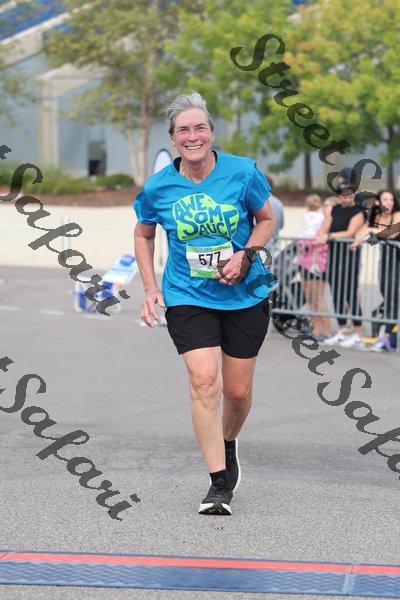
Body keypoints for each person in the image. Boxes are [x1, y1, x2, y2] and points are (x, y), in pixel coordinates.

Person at [133, 91, 276, 516]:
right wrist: (150, 288)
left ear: (212, 133)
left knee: (237, 392)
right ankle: (218, 483)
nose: (192, 136)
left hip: (244, 293)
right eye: (183, 130)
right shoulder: (158, 187)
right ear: (173, 139)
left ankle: (227, 442)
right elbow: (143, 233)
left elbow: (266, 219)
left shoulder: (243, 172)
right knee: (203, 381)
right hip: (187, 295)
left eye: (199, 128)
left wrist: (245, 255)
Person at [315, 180, 365, 348]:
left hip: (350, 256)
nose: (347, 198)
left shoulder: (358, 211)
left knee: (350, 293)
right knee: (336, 293)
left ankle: (358, 332)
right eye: (344, 196)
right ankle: (342, 330)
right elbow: (326, 225)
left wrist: (328, 237)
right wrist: (321, 234)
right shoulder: (335, 209)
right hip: (334, 255)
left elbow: (350, 232)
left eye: (350, 195)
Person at [350, 189, 400, 351]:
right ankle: (384, 336)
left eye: (391, 200)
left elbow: (392, 234)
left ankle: (388, 339)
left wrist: (371, 231)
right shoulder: (376, 216)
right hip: (385, 262)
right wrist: (358, 240)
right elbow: (364, 233)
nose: (389, 202)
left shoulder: (397, 215)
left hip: (397, 263)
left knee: (392, 300)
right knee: (387, 297)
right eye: (385, 199)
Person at [296, 194, 330, 341]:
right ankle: (317, 329)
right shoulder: (312, 218)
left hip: (317, 261)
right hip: (305, 259)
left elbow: (315, 238)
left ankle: (326, 331)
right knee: (312, 298)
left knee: (317, 298)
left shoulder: (323, 219)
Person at [265, 175, 284, 254]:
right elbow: (281, 225)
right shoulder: (279, 203)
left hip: (259, 247)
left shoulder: (258, 202)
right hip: (273, 246)